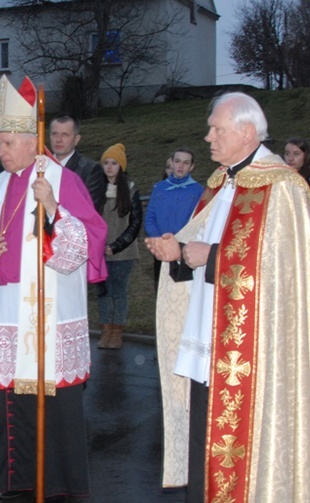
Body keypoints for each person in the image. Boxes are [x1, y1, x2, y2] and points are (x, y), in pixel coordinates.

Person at [146, 92, 310, 503]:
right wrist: (177, 253)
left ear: (247, 132)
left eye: (217, 129)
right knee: (205, 440)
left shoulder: (282, 186)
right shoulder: (221, 182)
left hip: (252, 349)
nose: (208, 138)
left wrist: (211, 257)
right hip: (209, 337)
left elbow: (284, 271)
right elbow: (197, 242)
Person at [0, 75, 107, 500]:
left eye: (6, 143)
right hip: (2, 311)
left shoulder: (59, 181)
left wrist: (55, 210)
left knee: (48, 397)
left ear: (29, 140)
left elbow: (88, 246)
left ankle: (55, 479)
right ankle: (8, 475)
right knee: (8, 399)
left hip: (46, 314)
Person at [96, 143, 142, 349]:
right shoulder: (97, 190)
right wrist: (98, 246)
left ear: (121, 166)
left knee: (119, 291)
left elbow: (135, 223)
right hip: (99, 253)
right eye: (106, 163)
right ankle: (106, 329)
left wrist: (116, 245)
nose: (109, 167)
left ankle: (117, 331)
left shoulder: (131, 191)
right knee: (103, 292)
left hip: (123, 253)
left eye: (114, 163)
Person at [144, 148, 204, 285]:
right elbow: (150, 217)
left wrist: (183, 241)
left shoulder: (198, 191)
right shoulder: (159, 188)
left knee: (183, 291)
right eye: (177, 161)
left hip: (185, 250)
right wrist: (159, 239)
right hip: (161, 247)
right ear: (171, 163)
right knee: (161, 289)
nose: (181, 166)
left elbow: (199, 221)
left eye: (186, 163)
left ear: (191, 167)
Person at [49, 114, 106, 213]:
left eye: (65, 135)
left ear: (76, 139)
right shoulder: (39, 166)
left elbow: (89, 212)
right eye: (54, 134)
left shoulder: (91, 171)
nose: (58, 140)